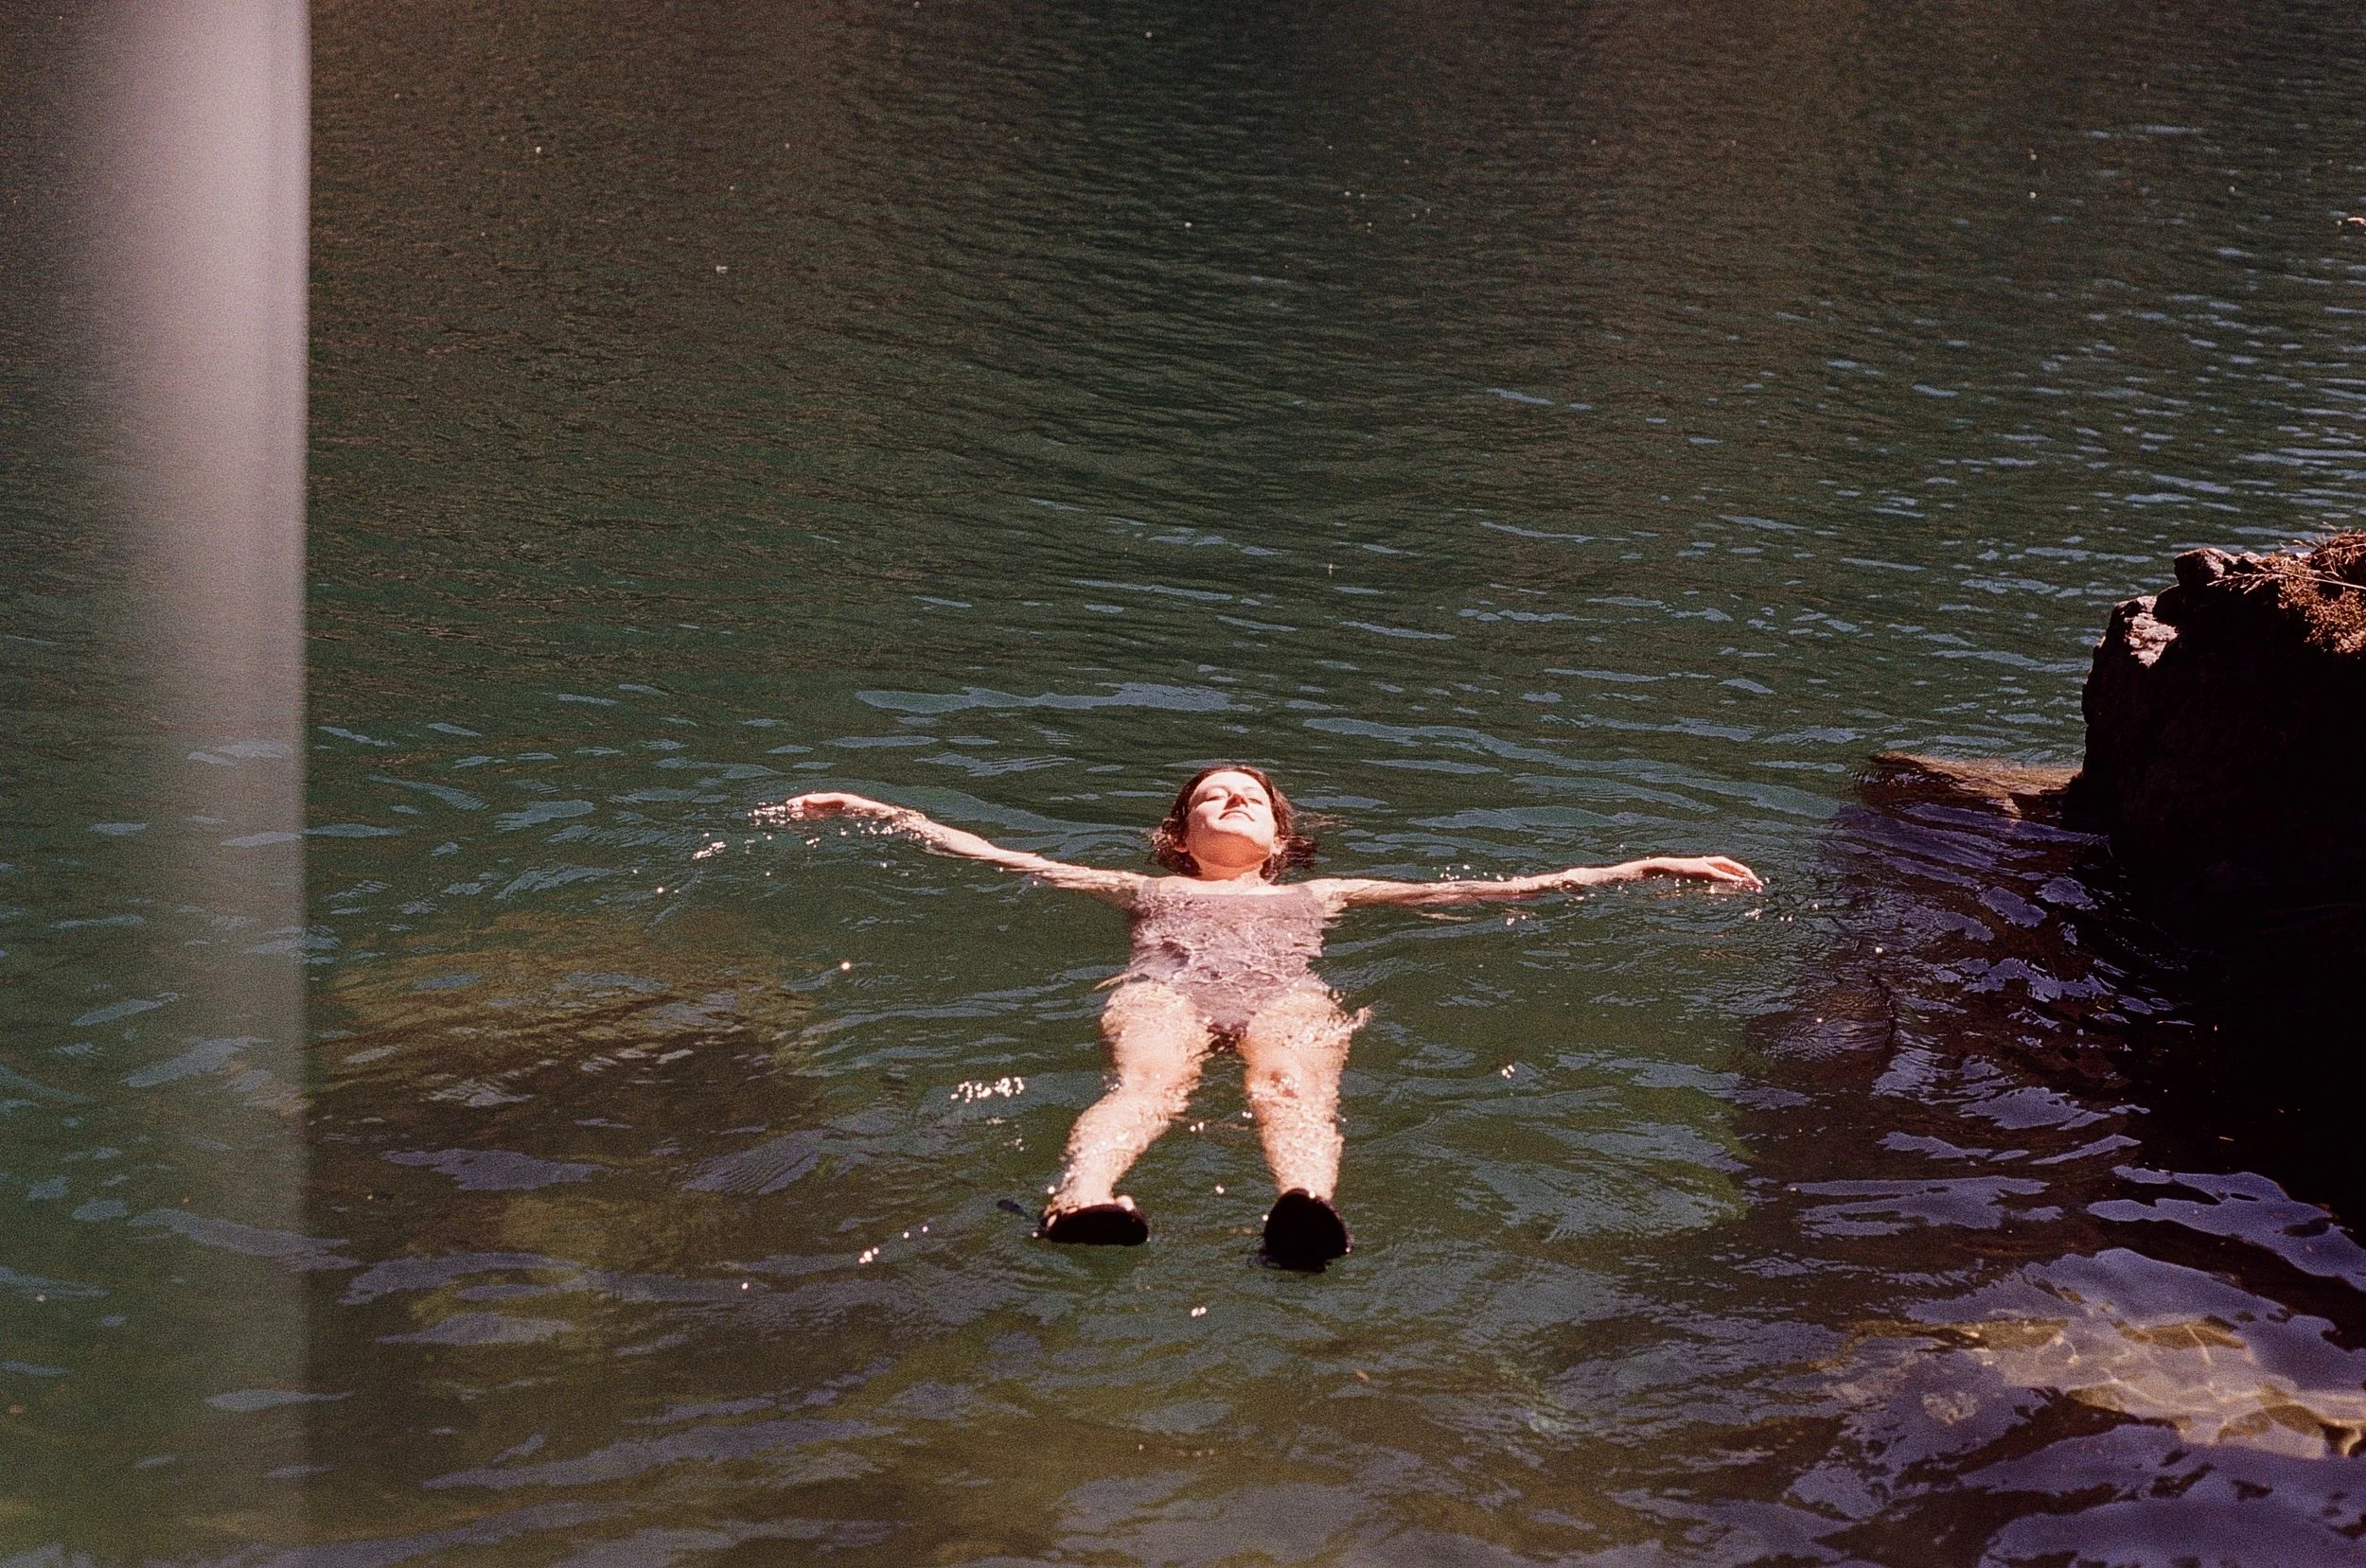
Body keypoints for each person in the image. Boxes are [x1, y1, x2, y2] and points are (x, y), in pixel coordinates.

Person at [759, 766, 1760, 1271]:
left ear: (1280, 838)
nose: (1229, 802)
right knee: (1149, 1084)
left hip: (1285, 995)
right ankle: (1082, 1199)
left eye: (1248, 799)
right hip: (1167, 987)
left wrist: (1634, 867)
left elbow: (1503, 888)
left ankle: (1303, 1209)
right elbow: (994, 855)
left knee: (1288, 1082)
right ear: (1179, 834)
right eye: (1210, 798)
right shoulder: (1131, 884)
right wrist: (876, 810)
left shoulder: (1323, 896)